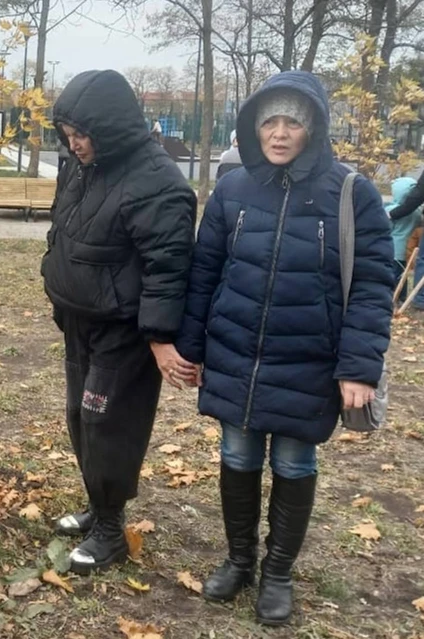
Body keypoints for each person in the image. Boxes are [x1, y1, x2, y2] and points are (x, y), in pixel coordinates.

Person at [176, 70, 393, 626]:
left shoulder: (352, 193)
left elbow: (371, 284)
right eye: (269, 120)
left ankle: (277, 572)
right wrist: (191, 345)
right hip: (236, 351)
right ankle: (240, 560)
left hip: (310, 360)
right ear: (253, 126)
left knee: (295, 459)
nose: (278, 133)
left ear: (312, 127)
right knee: (237, 455)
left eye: (291, 121)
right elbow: (205, 271)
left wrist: (359, 367)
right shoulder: (232, 187)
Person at [41, 70, 198, 575]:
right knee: (78, 418)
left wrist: (158, 337)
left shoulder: (157, 182)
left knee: (106, 424)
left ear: (109, 127)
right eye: (67, 134)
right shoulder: (81, 165)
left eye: (82, 134)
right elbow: (62, 229)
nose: (74, 144)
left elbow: (168, 268)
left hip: (123, 331)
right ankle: (98, 505)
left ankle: (111, 529)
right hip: (80, 320)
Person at [386, 176, 423, 301]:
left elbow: (386, 229)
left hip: (392, 249)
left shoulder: (391, 211)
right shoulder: (417, 212)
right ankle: (401, 296)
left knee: (391, 275)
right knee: (403, 274)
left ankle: (392, 296)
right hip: (407, 250)